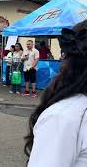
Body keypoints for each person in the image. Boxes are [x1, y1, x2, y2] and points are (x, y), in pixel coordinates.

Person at [24, 20, 87, 167]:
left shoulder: (65, 116)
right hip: (26, 68)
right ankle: (27, 90)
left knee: (32, 82)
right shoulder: (65, 116)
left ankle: (31, 91)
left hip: (32, 68)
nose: (28, 45)